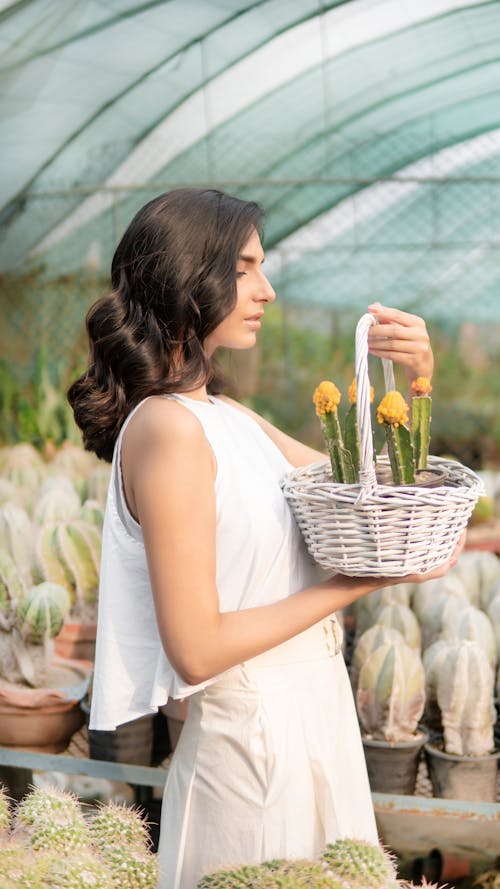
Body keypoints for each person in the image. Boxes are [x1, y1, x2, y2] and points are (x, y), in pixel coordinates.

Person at [68, 188, 463, 889]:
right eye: (246, 267)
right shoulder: (166, 430)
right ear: (191, 276)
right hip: (251, 754)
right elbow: (197, 646)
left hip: (315, 721)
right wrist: (353, 584)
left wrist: (419, 383)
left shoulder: (224, 416)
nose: (268, 289)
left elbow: (371, 494)